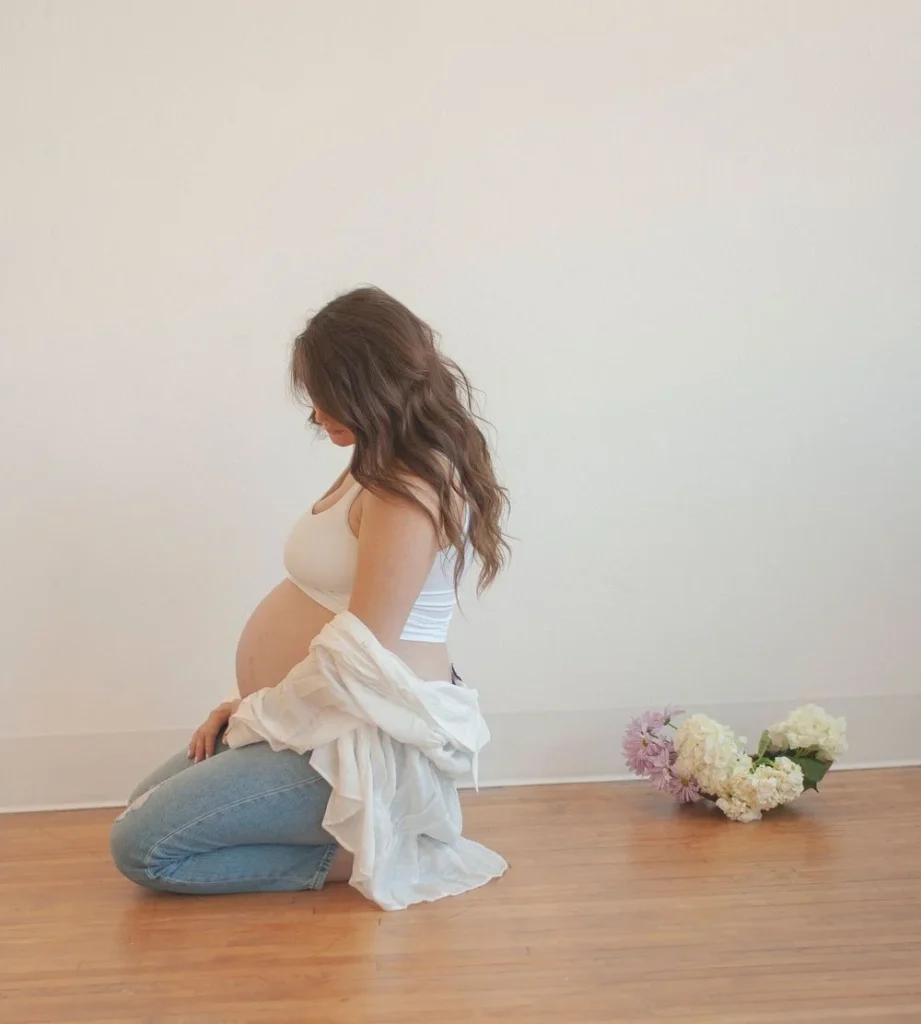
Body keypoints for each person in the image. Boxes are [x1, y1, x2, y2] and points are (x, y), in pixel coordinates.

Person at [110, 287, 510, 908]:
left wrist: (251, 716)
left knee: (143, 849)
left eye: (327, 396)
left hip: (359, 742)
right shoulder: (374, 459)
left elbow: (359, 656)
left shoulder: (408, 488)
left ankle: (370, 846)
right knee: (136, 809)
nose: (317, 413)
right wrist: (251, 703)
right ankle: (362, 834)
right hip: (311, 720)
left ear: (370, 386)